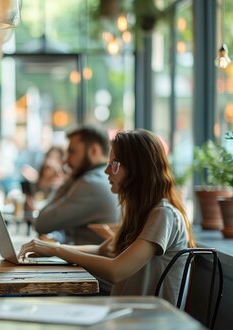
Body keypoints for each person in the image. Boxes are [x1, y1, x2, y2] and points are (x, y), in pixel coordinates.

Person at [19, 129, 195, 304]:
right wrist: (50, 249)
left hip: (147, 321)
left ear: (138, 170)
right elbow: (102, 250)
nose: (106, 171)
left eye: (115, 165)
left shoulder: (163, 214)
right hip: (126, 314)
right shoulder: (141, 212)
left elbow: (117, 270)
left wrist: (57, 250)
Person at [33, 126, 119, 245]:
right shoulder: (101, 179)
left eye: (72, 152)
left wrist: (68, 179)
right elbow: (68, 231)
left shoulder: (91, 183)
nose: (65, 160)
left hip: (88, 263)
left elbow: (41, 224)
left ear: (94, 150)